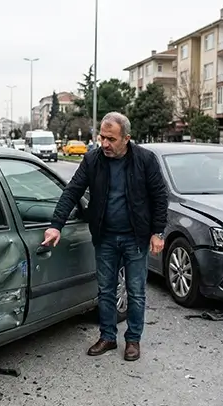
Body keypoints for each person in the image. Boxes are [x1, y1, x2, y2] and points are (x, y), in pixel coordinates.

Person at [42, 112, 169, 361]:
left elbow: (159, 196)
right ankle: (108, 336)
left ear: (126, 139)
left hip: (135, 238)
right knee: (106, 290)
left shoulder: (145, 160)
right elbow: (72, 191)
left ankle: (133, 340)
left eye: (111, 139)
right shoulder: (93, 160)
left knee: (136, 291)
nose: (105, 144)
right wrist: (56, 225)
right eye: (102, 137)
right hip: (105, 237)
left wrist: (158, 232)